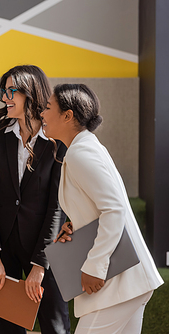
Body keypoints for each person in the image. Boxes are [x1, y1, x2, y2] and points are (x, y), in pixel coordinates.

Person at [40, 83, 163, 333]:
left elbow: (114, 208)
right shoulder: (83, 148)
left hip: (117, 283)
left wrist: (95, 266)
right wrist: (77, 223)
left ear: (67, 115)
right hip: (127, 281)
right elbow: (103, 204)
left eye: (48, 107)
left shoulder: (81, 153)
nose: (42, 113)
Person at [0, 65, 70, 334]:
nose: (5, 97)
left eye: (11, 91)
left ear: (31, 93)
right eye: (3, 91)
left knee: (56, 327)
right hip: (2, 253)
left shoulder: (56, 142)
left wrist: (40, 265)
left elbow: (57, 206)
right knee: (6, 330)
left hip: (46, 250)